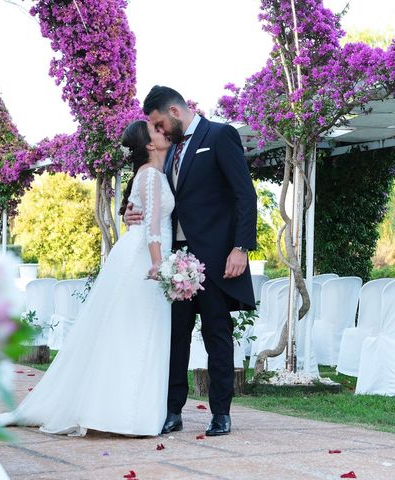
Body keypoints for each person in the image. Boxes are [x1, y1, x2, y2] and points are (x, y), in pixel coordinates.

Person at [0, 120, 174, 436]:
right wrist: (160, 264)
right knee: (134, 331)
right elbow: (153, 227)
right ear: (148, 144)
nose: (162, 132)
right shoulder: (152, 176)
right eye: (156, 131)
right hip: (144, 260)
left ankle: (126, 410)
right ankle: (124, 414)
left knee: (131, 330)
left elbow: (137, 213)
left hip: (138, 254)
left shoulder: (147, 176)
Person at [125, 85, 257, 436]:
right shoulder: (166, 152)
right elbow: (150, 195)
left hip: (214, 259)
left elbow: (245, 194)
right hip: (174, 259)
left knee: (217, 335)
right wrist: (131, 211)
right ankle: (173, 411)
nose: (158, 131)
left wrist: (241, 247)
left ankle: (221, 414)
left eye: (158, 122)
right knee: (176, 336)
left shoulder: (220, 135)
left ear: (174, 111)